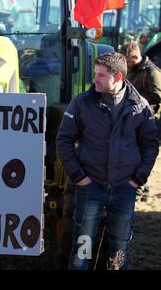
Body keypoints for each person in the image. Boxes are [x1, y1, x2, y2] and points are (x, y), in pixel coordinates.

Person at [56, 52, 159, 270]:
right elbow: (64, 140)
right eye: (95, 74)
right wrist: (79, 177)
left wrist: (137, 179)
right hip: (90, 188)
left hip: (124, 189)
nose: (95, 79)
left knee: (121, 248)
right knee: (82, 247)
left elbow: (151, 144)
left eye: (101, 75)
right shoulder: (82, 103)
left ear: (118, 77)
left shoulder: (139, 107)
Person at [119, 41, 161, 201]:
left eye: (127, 61)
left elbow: (158, 96)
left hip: (147, 120)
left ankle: (142, 187)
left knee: (143, 155)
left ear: (135, 57)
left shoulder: (151, 72)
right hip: (133, 119)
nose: (126, 65)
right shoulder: (134, 70)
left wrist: (137, 100)